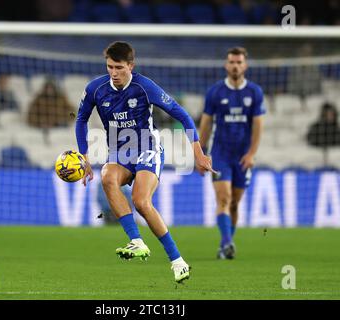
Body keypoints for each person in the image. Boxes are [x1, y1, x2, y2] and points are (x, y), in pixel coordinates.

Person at [75, 41, 215, 283]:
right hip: (120, 151)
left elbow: (181, 114)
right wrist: (84, 156)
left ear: (131, 65)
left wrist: (198, 152)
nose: (114, 73)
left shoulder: (144, 87)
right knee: (107, 176)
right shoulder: (95, 89)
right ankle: (136, 241)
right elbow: (81, 120)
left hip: (148, 147)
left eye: (119, 67)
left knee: (141, 201)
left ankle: (177, 261)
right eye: (109, 67)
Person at [198, 47, 266, 260]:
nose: (235, 66)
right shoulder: (215, 92)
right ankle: (227, 243)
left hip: (242, 156)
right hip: (220, 154)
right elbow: (206, 123)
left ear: (245, 65)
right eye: (231, 62)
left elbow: (257, 125)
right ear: (226, 65)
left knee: (235, 203)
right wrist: (201, 153)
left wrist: (252, 153)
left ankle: (225, 244)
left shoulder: (254, 92)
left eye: (239, 62)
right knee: (224, 198)